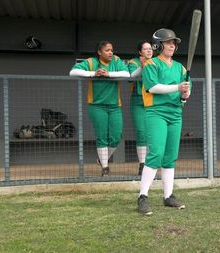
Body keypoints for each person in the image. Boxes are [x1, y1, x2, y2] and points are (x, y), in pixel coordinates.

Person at [137, 28, 191, 215]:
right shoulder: (151, 64)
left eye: (174, 43)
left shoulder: (181, 68)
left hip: (175, 113)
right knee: (156, 153)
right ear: (158, 45)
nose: (172, 45)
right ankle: (142, 196)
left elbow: (185, 94)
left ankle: (168, 196)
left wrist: (185, 93)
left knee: (170, 156)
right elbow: (152, 87)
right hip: (156, 112)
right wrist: (177, 87)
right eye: (168, 42)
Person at [69, 41, 130, 176]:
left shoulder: (116, 60)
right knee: (101, 136)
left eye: (111, 50)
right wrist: (93, 73)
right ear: (99, 52)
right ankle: (105, 168)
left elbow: (127, 74)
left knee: (116, 136)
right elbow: (72, 72)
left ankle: (102, 159)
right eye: (107, 50)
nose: (111, 52)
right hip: (96, 106)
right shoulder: (91, 62)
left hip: (115, 105)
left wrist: (108, 74)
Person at [127, 40, 153, 176]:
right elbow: (131, 77)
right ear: (140, 52)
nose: (149, 51)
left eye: (150, 49)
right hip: (138, 100)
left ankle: (151, 164)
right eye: (146, 49)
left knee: (152, 133)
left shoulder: (156, 62)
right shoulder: (133, 62)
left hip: (154, 100)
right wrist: (142, 66)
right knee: (141, 132)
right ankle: (142, 164)